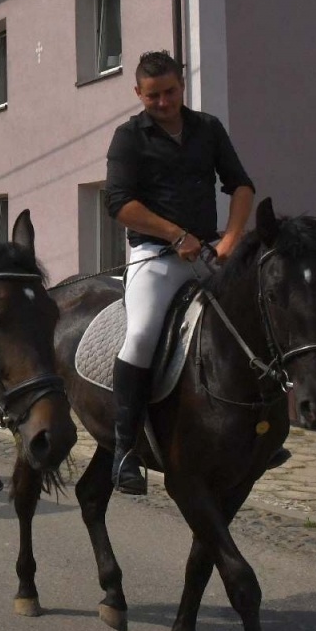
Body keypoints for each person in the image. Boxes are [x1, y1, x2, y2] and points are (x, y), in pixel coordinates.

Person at [104, 49, 255, 495]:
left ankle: (259, 426)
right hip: (154, 257)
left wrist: (229, 241)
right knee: (143, 334)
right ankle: (125, 450)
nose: (164, 102)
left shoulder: (208, 128)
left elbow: (241, 185)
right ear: (138, 93)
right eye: (153, 96)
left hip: (208, 252)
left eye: (170, 92)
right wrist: (173, 235)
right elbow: (119, 205)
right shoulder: (127, 137)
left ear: (181, 85)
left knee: (246, 323)